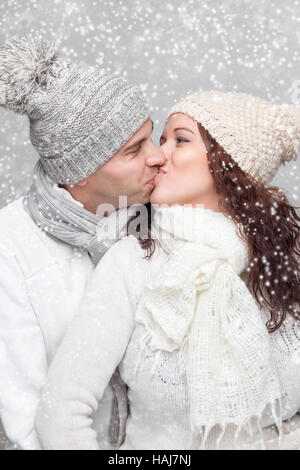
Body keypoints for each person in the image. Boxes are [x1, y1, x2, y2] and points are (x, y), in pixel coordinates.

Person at [35, 91, 300, 450]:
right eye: (162, 140)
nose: (160, 156)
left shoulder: (282, 260)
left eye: (180, 139)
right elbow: (60, 413)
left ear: (230, 162)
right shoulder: (133, 261)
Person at [0, 34, 165, 450]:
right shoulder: (10, 248)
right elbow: (26, 416)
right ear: (79, 173)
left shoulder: (156, 220)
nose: (158, 156)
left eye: (152, 135)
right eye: (134, 149)